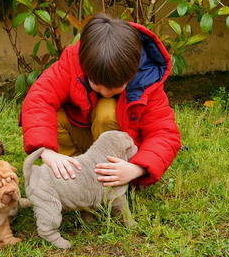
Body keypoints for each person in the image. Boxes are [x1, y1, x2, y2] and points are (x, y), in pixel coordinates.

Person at [20, 12, 181, 189]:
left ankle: (108, 177)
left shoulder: (148, 82)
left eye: (114, 87)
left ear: (133, 73)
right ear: (85, 64)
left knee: (107, 109)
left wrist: (136, 168)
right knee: (54, 116)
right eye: (96, 83)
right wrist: (47, 151)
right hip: (83, 134)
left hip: (118, 151)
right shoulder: (72, 63)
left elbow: (164, 134)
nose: (105, 91)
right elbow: (39, 99)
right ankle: (74, 172)